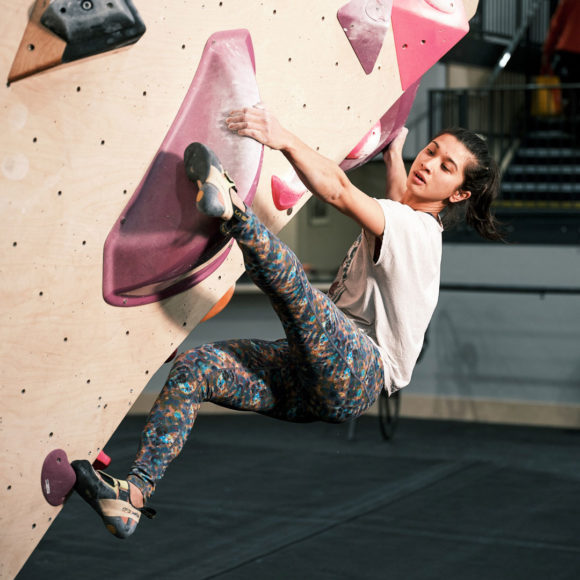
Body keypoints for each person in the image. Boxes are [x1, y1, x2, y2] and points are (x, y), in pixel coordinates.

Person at [71, 104, 502, 538]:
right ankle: (134, 495)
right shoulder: (406, 215)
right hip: (313, 380)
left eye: (446, 167)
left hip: (359, 371)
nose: (427, 164)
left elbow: (338, 191)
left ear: (459, 195)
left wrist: (282, 137)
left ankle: (233, 211)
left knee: (297, 292)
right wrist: (394, 153)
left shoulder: (418, 232)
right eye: (430, 151)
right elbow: (398, 197)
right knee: (197, 367)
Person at [541, 0, 580, 84]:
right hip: (570, 48)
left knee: (569, 86)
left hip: (568, 48)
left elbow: (556, 26)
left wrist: (547, 51)